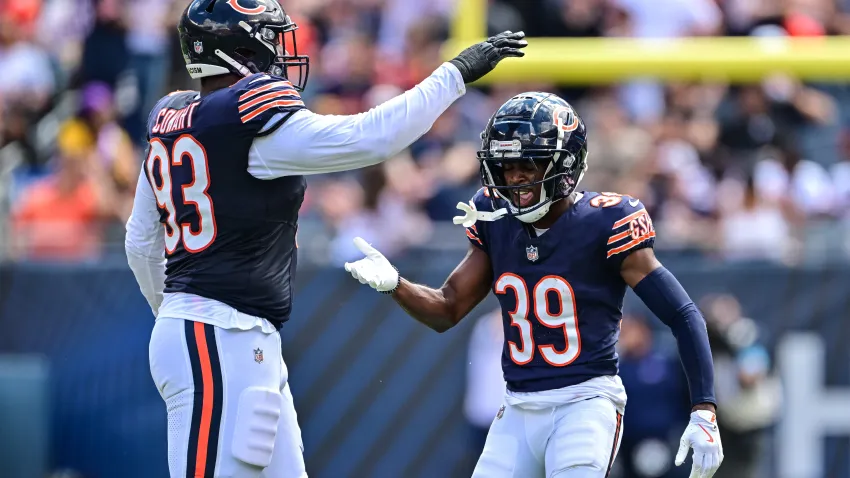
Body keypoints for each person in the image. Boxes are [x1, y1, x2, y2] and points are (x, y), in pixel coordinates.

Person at [124, 0, 527, 476]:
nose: (279, 51)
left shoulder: (172, 122)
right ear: (238, 48)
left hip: (229, 335)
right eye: (269, 38)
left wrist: (171, 313)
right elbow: (371, 137)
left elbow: (141, 244)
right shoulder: (246, 121)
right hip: (217, 334)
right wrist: (455, 74)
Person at [344, 92, 724, 478]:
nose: (515, 177)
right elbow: (447, 307)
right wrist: (395, 284)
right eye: (506, 166)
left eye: (528, 163)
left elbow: (682, 313)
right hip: (518, 408)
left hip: (585, 402)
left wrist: (704, 408)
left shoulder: (604, 222)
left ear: (566, 164)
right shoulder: (495, 219)